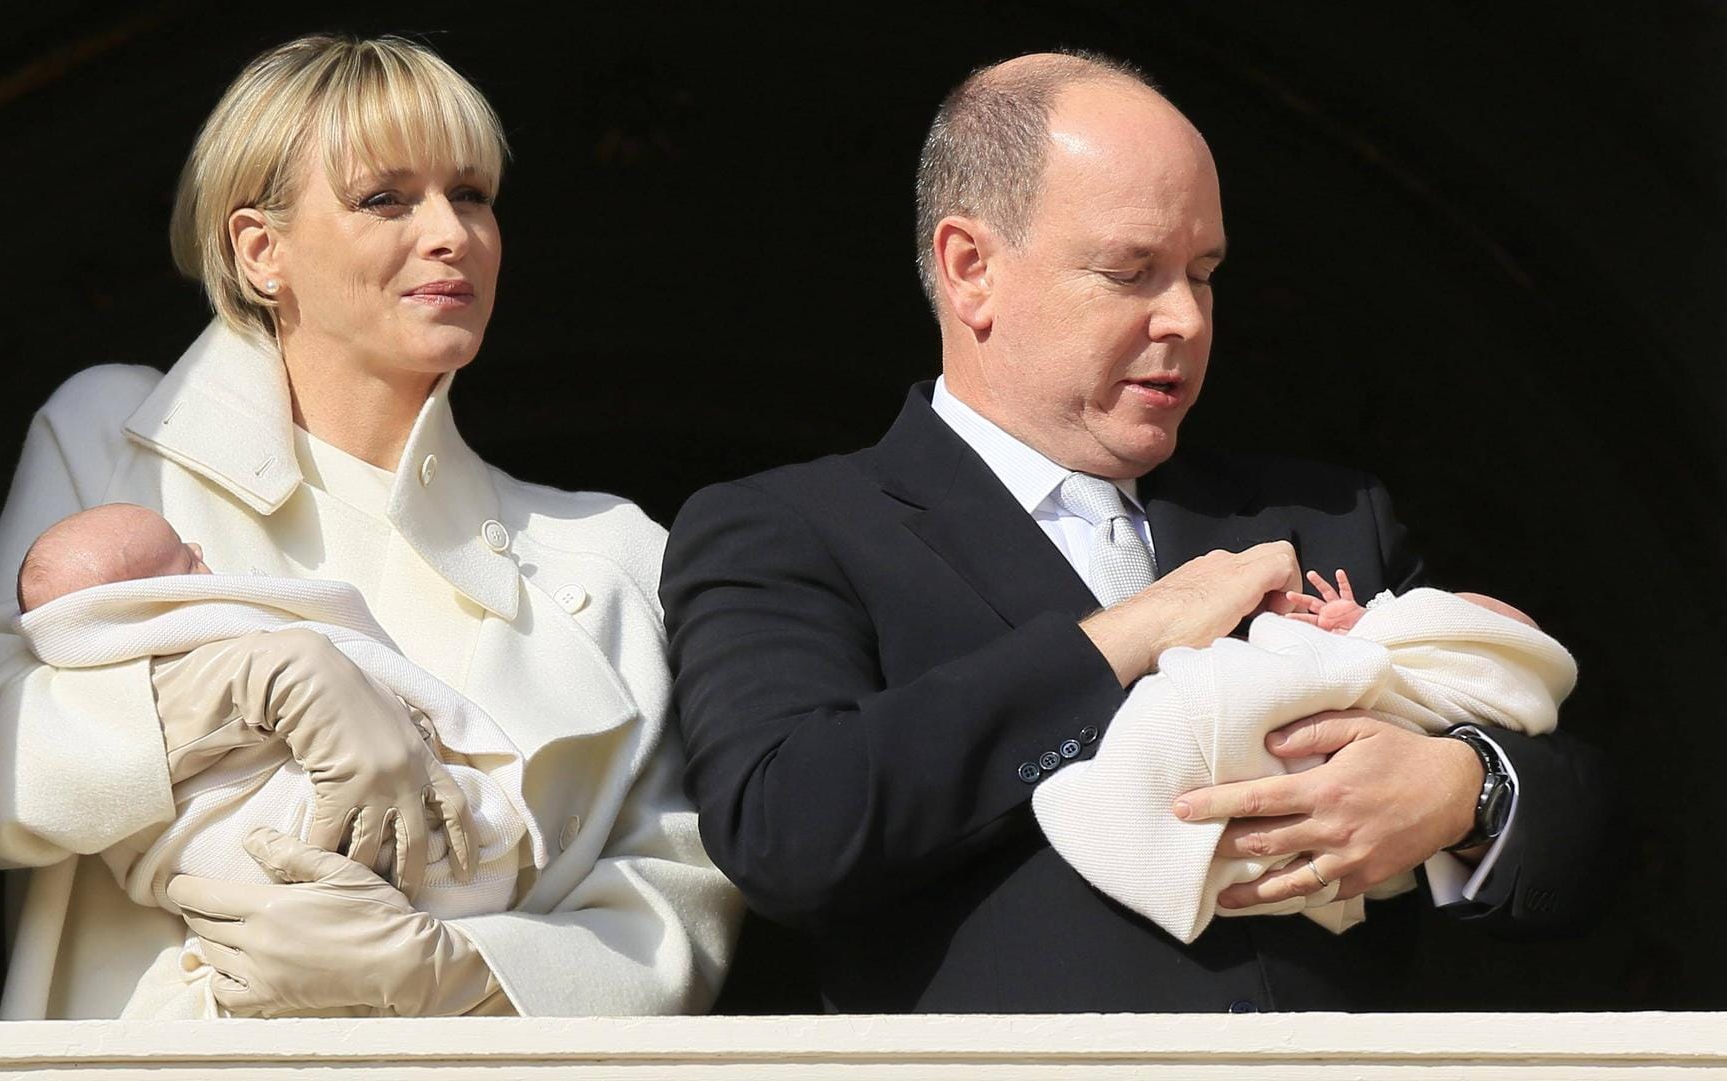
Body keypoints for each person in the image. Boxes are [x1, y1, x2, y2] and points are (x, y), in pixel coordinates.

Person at [660, 50, 1611, 1012]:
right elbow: (788, 826)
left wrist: (1461, 792)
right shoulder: (790, 529)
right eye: (1131, 271)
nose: (1187, 318)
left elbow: (1587, 829)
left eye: (1204, 275)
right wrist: (1130, 633)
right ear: (971, 268)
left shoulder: (1324, 516)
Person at [0, 34, 738, 1020]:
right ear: (261, 250)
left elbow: (675, 904)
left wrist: (445, 972)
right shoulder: (120, 442)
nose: (451, 233)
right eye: (388, 198)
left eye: (470, 195)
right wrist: (239, 684)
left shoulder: (615, 551)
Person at [13, 502, 533, 1017]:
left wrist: (470, 975)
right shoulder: (170, 653)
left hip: (469, 955)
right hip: (248, 892)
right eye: (186, 564)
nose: (201, 551)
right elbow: (7, 737)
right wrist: (263, 671)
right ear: (152, 604)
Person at [1034, 571, 1577, 944]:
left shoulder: (1352, 505)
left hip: (1329, 987)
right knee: (1211, 710)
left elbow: (1400, 674)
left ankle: (1135, 804)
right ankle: (1134, 801)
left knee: (1222, 703)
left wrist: (1464, 786)